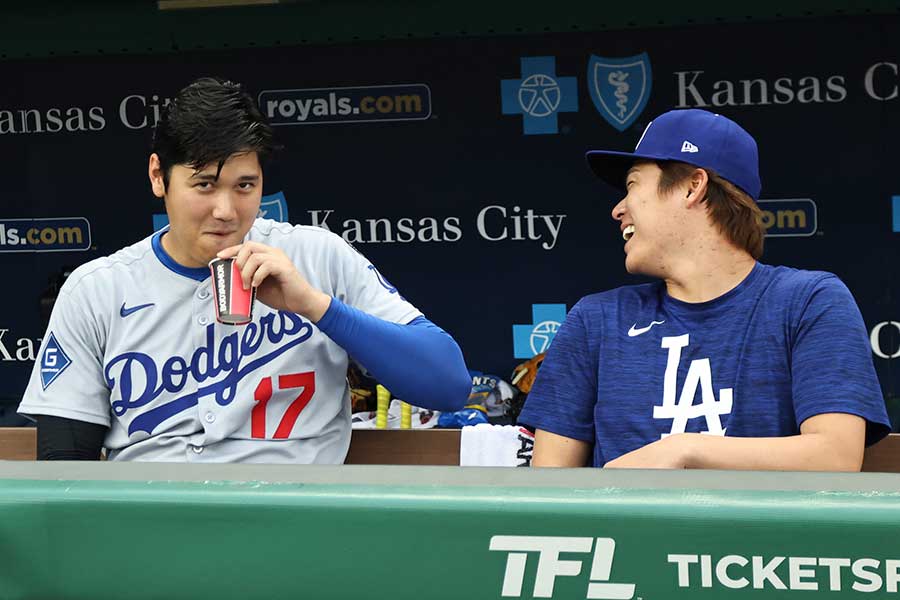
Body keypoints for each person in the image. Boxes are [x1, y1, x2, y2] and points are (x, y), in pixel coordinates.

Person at [19, 77, 470, 462]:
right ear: (159, 176)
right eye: (204, 185)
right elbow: (63, 467)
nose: (225, 210)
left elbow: (448, 386)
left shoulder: (315, 257)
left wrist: (313, 305)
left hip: (293, 524)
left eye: (244, 186)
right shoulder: (97, 289)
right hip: (153, 527)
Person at [518, 108, 890, 471]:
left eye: (632, 185)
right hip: (629, 536)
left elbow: (835, 456)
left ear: (693, 187)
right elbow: (550, 488)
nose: (618, 209)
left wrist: (684, 449)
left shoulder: (809, 301)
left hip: (763, 535)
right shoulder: (594, 320)